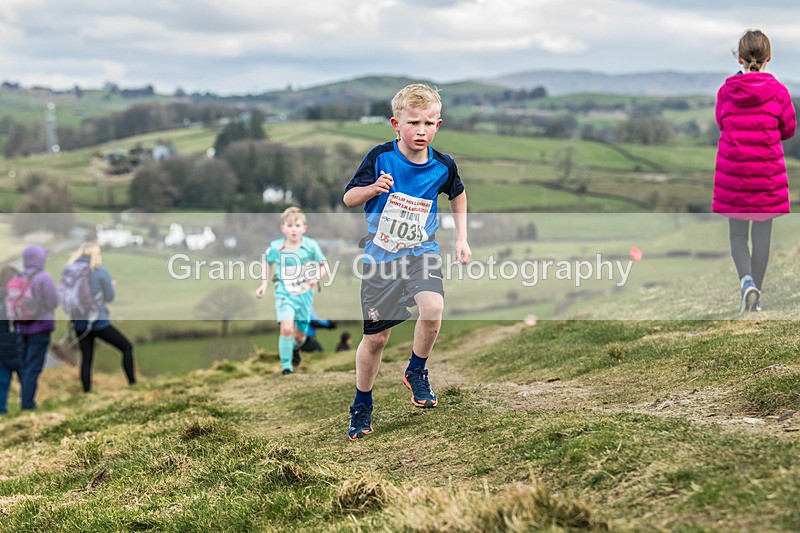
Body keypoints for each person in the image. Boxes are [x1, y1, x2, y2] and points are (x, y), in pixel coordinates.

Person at [343, 83, 471, 440]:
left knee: (433, 307)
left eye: (429, 123)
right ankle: (362, 405)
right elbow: (349, 198)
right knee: (377, 340)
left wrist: (461, 238)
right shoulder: (380, 158)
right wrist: (373, 189)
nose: (421, 130)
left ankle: (416, 370)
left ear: (438, 125)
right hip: (381, 259)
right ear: (396, 124)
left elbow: (458, 195)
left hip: (421, 252)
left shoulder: (443, 165)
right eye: (413, 122)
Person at [713, 29, 796, 312]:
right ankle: (755, 297)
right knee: (762, 240)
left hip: (733, 176)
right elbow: (788, 129)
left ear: (739, 58)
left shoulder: (726, 91)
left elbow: (722, 123)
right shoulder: (779, 92)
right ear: (769, 57)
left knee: (737, 236)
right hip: (767, 177)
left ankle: (746, 283)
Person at [256, 207, 329, 375]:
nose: (293, 229)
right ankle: (286, 367)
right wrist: (263, 285)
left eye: (297, 225)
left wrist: (316, 277)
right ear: (283, 228)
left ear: (304, 228)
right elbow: (266, 262)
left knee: (300, 336)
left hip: (304, 295)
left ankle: (295, 349)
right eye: (290, 226)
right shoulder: (276, 247)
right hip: (284, 294)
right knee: (286, 328)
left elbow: (324, 265)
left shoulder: (310, 246)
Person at [66, 242, 136, 392]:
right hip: (99, 322)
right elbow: (110, 297)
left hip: (79, 322)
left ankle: (87, 392)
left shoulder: (70, 272)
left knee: (86, 357)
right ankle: (133, 384)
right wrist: (109, 285)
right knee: (126, 347)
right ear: (95, 255)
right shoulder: (99, 272)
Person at [14, 246, 59, 410]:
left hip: (21, 328)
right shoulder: (43, 277)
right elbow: (53, 302)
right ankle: (27, 404)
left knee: (25, 365)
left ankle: (25, 399)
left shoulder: (19, 276)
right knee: (34, 367)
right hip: (40, 328)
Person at [0, 266, 21, 415]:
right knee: (25, 377)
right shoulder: (16, 297)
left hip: (1, 347)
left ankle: (1, 408)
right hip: (16, 343)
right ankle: (27, 404)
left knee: (2, 381)